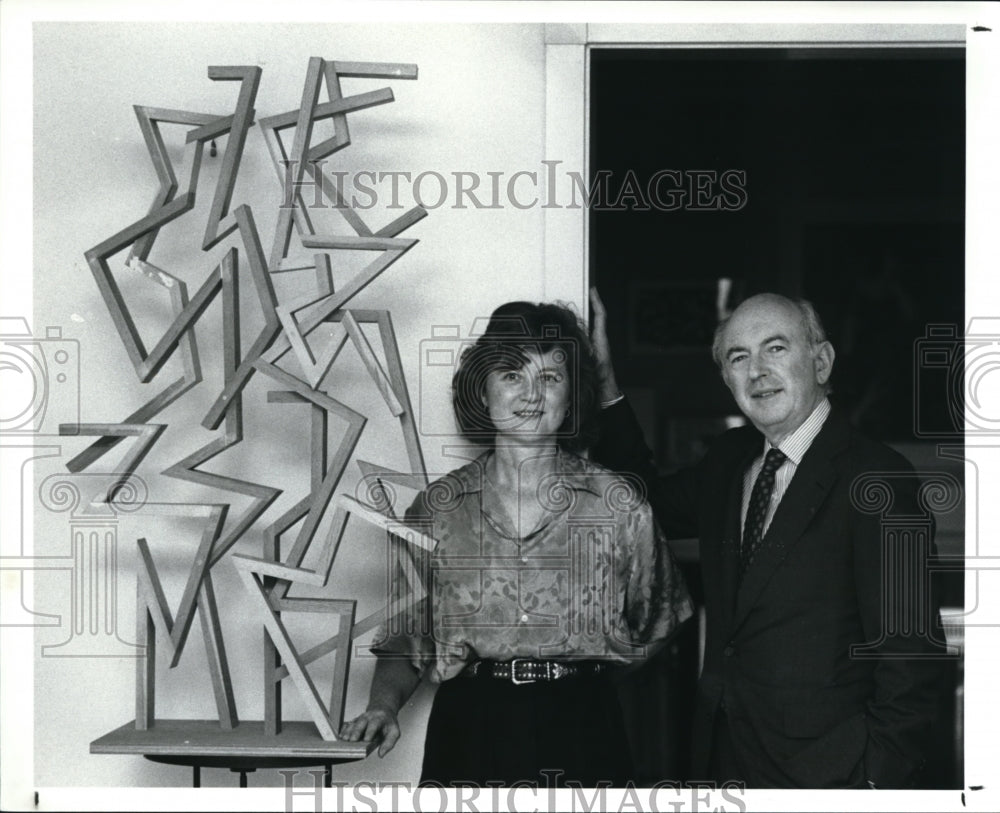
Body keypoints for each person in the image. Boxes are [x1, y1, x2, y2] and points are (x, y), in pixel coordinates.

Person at [590, 289, 946, 789]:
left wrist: (874, 783)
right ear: (726, 378)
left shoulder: (879, 479)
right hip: (727, 764)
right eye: (738, 357)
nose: (756, 370)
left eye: (775, 348)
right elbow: (639, 504)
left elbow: (913, 657)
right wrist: (605, 386)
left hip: (834, 777)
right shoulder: (729, 460)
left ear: (820, 362)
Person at [340, 301, 693, 787]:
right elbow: (408, 635)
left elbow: (658, 622)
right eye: (512, 375)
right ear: (483, 392)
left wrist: (584, 678)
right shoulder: (437, 508)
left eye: (550, 377)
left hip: (584, 730)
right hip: (469, 729)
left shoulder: (618, 506)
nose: (532, 394)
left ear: (572, 396)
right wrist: (382, 705)